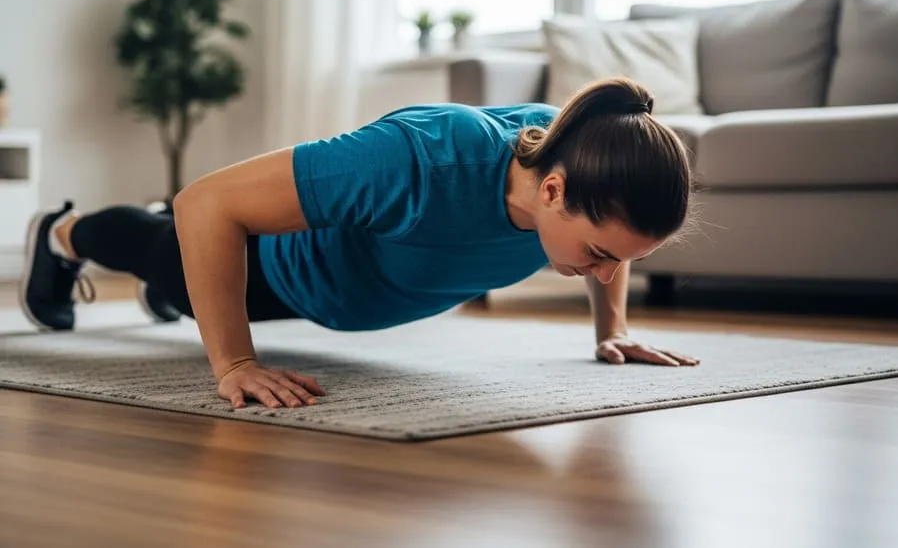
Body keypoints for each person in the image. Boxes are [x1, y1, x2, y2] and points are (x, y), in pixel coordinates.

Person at [19, 77, 699, 410]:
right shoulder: (419, 160)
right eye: (602, 255)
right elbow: (208, 201)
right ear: (552, 191)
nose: (607, 270)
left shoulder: (582, 152)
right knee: (172, 242)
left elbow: (607, 243)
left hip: (337, 294)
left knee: (182, 241)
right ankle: (61, 232)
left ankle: (183, 255)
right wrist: (233, 362)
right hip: (272, 269)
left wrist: (612, 329)